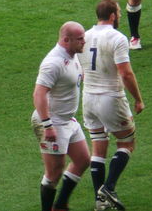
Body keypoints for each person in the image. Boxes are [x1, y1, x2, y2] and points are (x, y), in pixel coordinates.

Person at [77, 0, 145, 211]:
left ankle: (100, 202)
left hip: (88, 98)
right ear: (113, 15)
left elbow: (79, 69)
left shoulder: (84, 36)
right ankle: (109, 187)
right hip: (111, 98)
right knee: (126, 143)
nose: (121, 17)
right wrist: (138, 99)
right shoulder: (117, 38)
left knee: (98, 147)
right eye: (119, 13)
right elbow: (125, 73)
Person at [31, 21, 91, 211]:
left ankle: (60, 205)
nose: (84, 41)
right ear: (66, 40)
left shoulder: (71, 55)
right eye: (80, 38)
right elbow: (38, 93)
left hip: (67, 120)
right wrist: (48, 125)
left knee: (83, 160)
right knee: (54, 173)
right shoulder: (54, 62)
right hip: (52, 121)